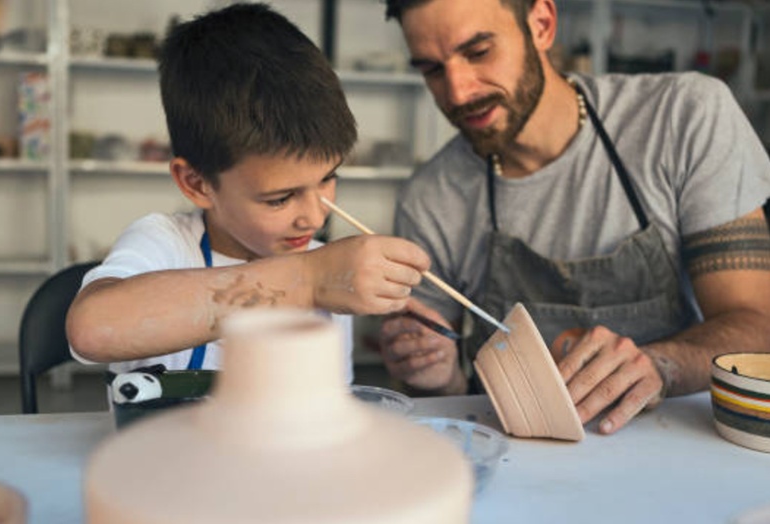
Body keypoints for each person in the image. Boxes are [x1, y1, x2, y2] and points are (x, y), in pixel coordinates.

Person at [378, 0, 770, 434]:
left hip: (683, 443)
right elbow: (444, 403)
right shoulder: (429, 199)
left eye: (478, 52)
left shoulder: (683, 117)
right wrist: (439, 376)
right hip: (525, 460)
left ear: (542, 24)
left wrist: (662, 364)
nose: (457, 92)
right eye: (432, 69)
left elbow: (757, 325)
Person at [66, 3, 430, 381]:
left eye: (327, 178)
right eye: (280, 198)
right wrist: (308, 281)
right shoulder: (167, 244)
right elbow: (92, 329)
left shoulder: (330, 270)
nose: (316, 216)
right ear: (197, 183)